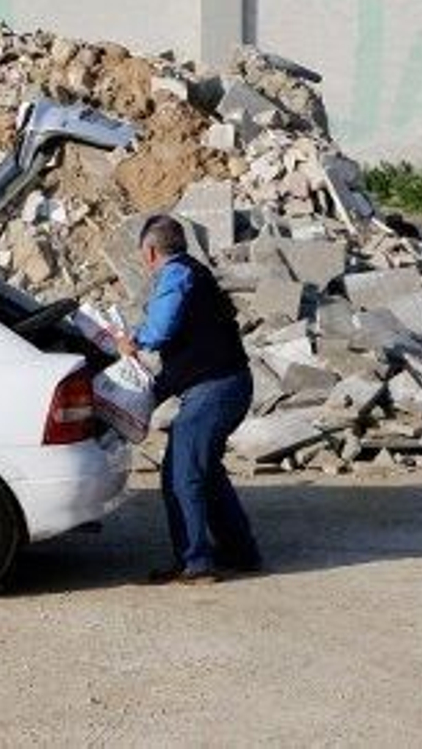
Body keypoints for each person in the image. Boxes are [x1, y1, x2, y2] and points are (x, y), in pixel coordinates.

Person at [115, 214, 262, 585]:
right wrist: (149, 393)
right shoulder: (195, 274)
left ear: (150, 252)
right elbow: (186, 354)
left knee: (181, 475)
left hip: (215, 389)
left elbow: (160, 331)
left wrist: (132, 342)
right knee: (206, 471)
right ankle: (241, 553)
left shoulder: (176, 275)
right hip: (228, 384)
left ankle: (195, 564)